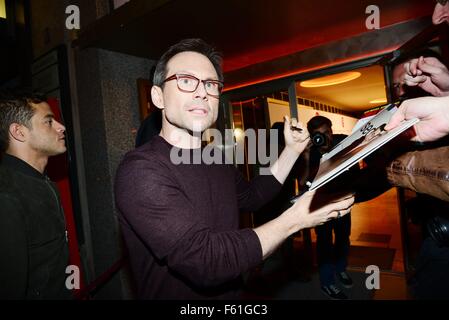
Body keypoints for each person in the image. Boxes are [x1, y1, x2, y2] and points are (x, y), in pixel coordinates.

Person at [114, 38, 354, 299]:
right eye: (185, 80)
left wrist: (292, 150)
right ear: (158, 96)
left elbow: (252, 197)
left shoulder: (213, 156)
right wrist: (294, 219)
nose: (202, 92)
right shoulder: (140, 170)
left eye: (210, 84)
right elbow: (205, 260)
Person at [0, 90, 72, 299]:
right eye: (49, 122)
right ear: (19, 132)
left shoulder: (41, 182)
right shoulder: (6, 195)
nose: (61, 127)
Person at [296, 116, 353, 300]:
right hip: (321, 205)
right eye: (318, 135)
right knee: (324, 243)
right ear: (312, 137)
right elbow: (303, 181)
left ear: (332, 130)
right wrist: (305, 157)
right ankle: (327, 282)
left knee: (344, 238)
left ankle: (340, 269)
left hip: (342, 199)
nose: (325, 138)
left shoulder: (343, 141)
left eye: (327, 132)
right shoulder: (311, 152)